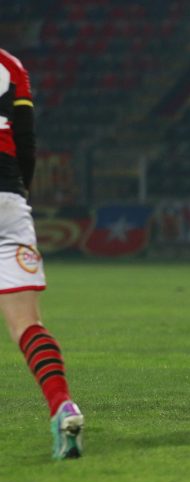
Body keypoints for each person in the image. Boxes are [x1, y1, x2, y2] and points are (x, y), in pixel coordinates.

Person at [0, 48, 84, 458]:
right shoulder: (11, 66)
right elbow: (26, 141)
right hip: (7, 200)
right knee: (27, 325)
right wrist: (20, 193)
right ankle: (61, 405)